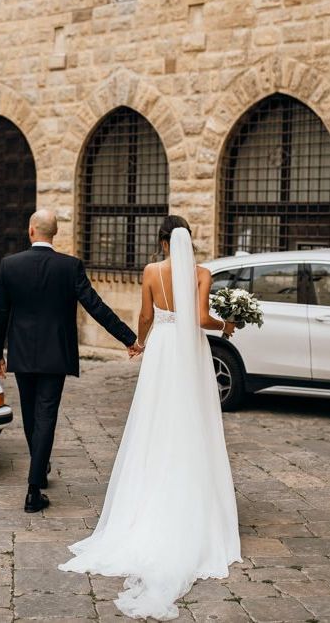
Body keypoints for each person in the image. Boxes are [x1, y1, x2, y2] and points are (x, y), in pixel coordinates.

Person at [58, 215, 241, 621]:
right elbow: (201, 319)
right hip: (189, 351)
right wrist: (228, 323)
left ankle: (144, 499)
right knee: (192, 420)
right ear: (187, 242)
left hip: (162, 351)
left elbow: (144, 314)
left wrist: (140, 342)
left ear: (161, 243)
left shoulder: (150, 271)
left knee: (154, 420)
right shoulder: (202, 273)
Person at [0, 209, 139, 514]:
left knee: (32, 416)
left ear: (31, 231)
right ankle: (35, 484)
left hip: (23, 353)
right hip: (55, 353)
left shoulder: (10, 265)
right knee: (45, 416)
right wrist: (128, 338)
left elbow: (0, 313)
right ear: (53, 233)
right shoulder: (69, 266)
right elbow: (95, 305)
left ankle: (37, 476)